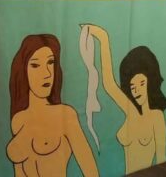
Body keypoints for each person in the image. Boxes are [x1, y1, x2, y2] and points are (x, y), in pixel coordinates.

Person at [6, 34, 98, 177]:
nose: (46, 73)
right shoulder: (18, 120)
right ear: (23, 70)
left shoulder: (65, 113)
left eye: (50, 62)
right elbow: (19, 172)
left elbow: (89, 168)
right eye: (35, 65)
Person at [83, 25, 166, 171]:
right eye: (132, 86)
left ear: (150, 82)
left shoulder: (157, 116)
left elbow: (161, 157)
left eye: (141, 83)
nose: (136, 90)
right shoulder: (132, 111)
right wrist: (103, 38)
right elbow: (109, 84)